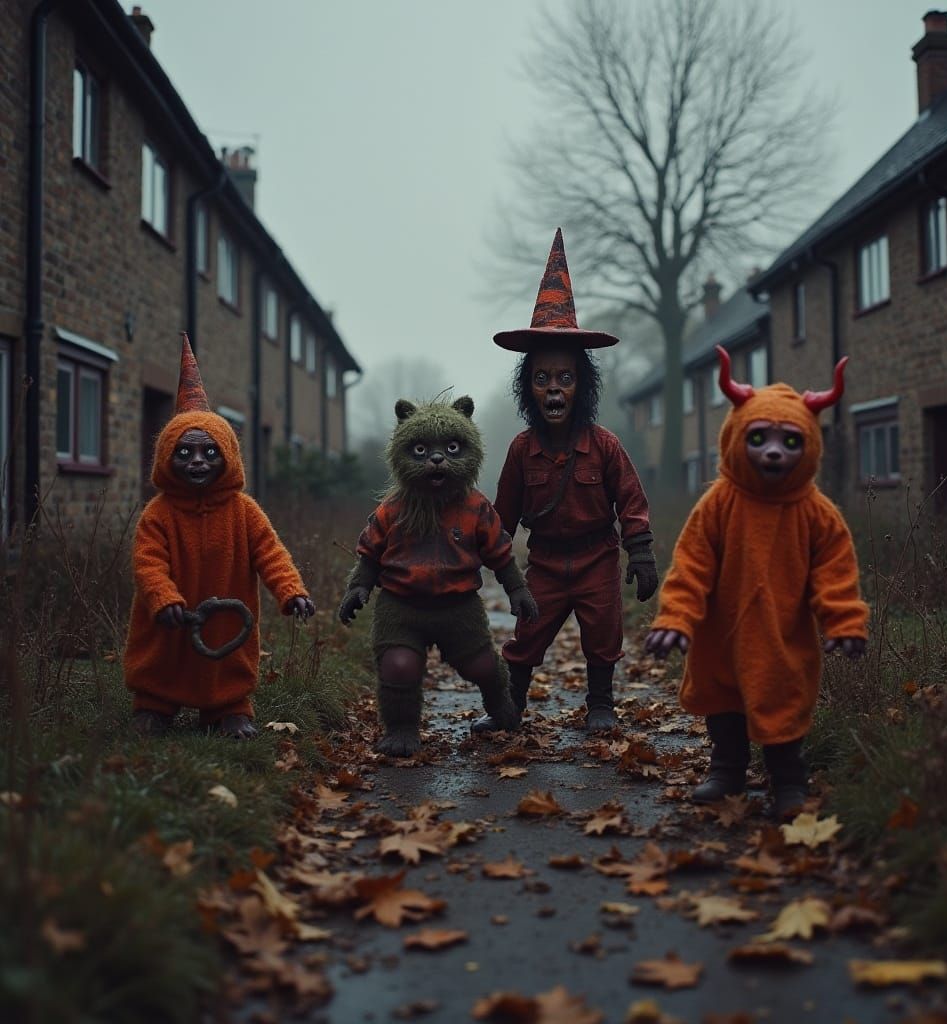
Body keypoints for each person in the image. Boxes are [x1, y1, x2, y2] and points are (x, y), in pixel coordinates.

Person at [645, 345, 868, 818]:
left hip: (782, 633)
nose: (772, 451)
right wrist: (678, 617)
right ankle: (726, 772)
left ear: (809, 443)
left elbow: (835, 569)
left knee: (783, 703)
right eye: (759, 437)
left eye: (790, 442)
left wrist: (844, 619)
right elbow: (692, 564)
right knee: (724, 706)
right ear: (735, 438)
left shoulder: (815, 513)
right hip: (720, 632)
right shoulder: (719, 504)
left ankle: (788, 781)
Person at [476, 228, 658, 733]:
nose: (553, 388)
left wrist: (639, 552)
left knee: (603, 630)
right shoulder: (520, 449)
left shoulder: (604, 445)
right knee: (528, 633)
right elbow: (502, 516)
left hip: (598, 555)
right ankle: (510, 707)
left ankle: (601, 704)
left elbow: (632, 500)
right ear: (527, 388)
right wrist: (480, 560)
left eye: (565, 378)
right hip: (547, 561)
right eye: (541, 378)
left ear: (583, 386)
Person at [124, 334, 314, 739]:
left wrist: (291, 590)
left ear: (227, 456)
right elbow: (147, 563)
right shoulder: (158, 514)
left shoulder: (243, 511)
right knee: (162, 657)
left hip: (227, 617)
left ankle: (229, 709)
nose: (197, 461)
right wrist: (163, 597)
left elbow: (271, 553)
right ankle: (154, 706)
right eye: (185, 452)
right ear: (166, 458)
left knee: (228, 659)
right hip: (171, 615)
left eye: (210, 453)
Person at [338, 395, 538, 757]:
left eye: (450, 448)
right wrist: (357, 588)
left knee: (480, 665)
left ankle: (501, 706)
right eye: (419, 449)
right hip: (400, 607)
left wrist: (518, 590)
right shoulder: (393, 509)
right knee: (399, 665)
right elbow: (369, 554)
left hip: (458, 607)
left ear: (469, 449)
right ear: (402, 452)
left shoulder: (476, 507)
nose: (435, 459)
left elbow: (500, 553)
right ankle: (400, 729)